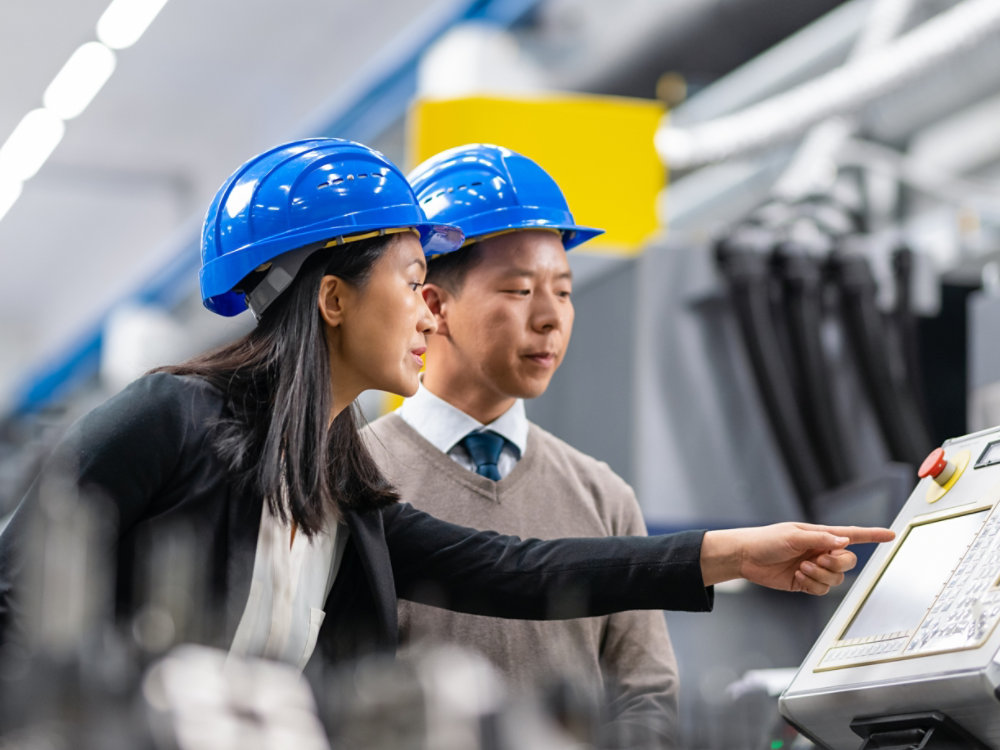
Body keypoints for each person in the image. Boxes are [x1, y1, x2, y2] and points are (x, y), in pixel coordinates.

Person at [0, 138, 892, 677]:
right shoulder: (170, 418)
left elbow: (516, 570)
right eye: (414, 278)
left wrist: (737, 553)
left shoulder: (337, 483)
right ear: (334, 299)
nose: (429, 308)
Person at [364, 143, 678, 746]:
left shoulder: (603, 497)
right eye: (517, 290)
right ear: (434, 306)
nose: (550, 318)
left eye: (562, 291)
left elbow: (646, 693)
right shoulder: (356, 476)